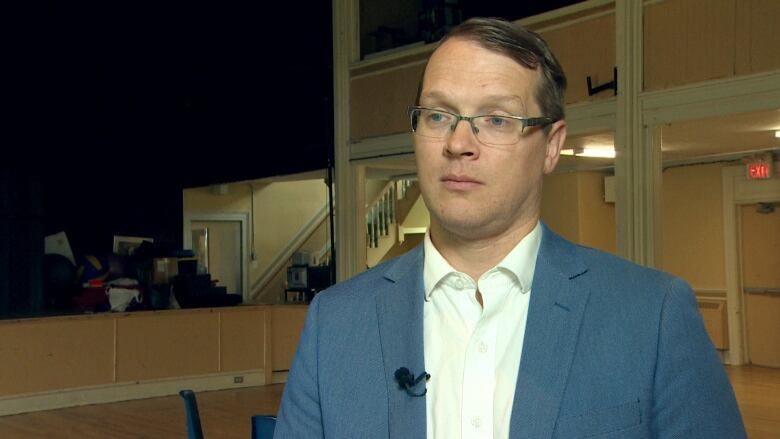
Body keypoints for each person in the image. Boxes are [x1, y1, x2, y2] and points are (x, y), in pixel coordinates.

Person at [274, 17, 746, 438]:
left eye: (496, 120)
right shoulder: (334, 324)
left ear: (551, 147)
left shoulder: (652, 316)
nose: (459, 143)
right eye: (439, 115)